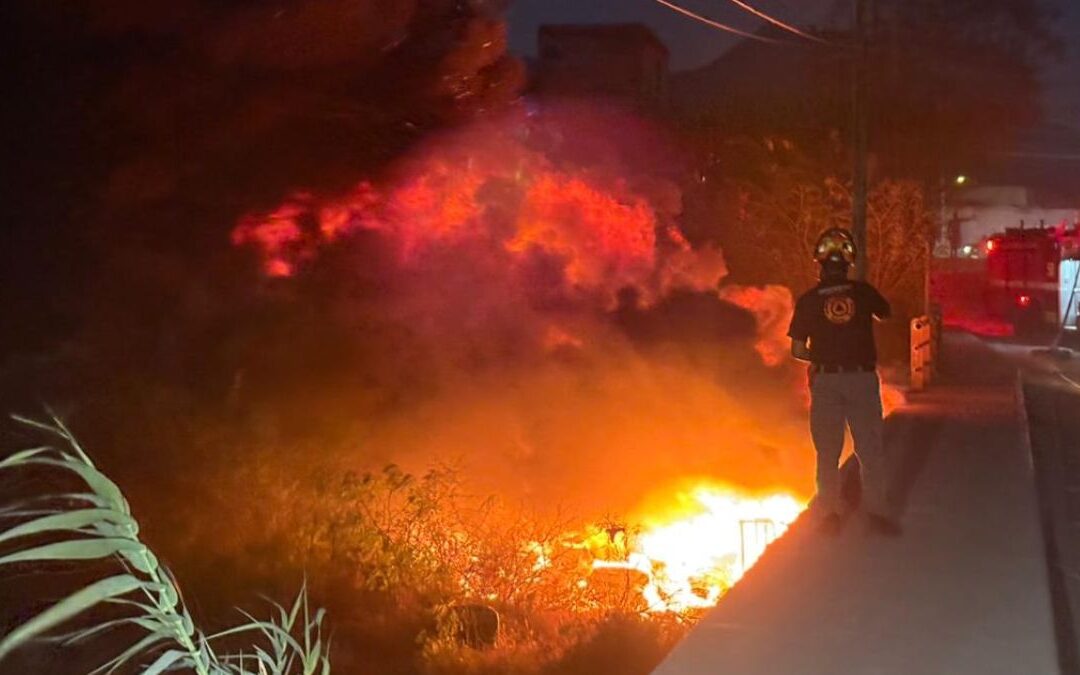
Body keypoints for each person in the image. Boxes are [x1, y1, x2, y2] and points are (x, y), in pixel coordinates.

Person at [787, 228, 901, 536]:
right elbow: (887, 314)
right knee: (870, 449)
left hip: (826, 381)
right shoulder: (863, 292)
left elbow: (798, 349)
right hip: (862, 379)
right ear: (849, 261)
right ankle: (877, 514)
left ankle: (830, 516)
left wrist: (822, 356)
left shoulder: (809, 300)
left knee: (827, 452)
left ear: (819, 262)